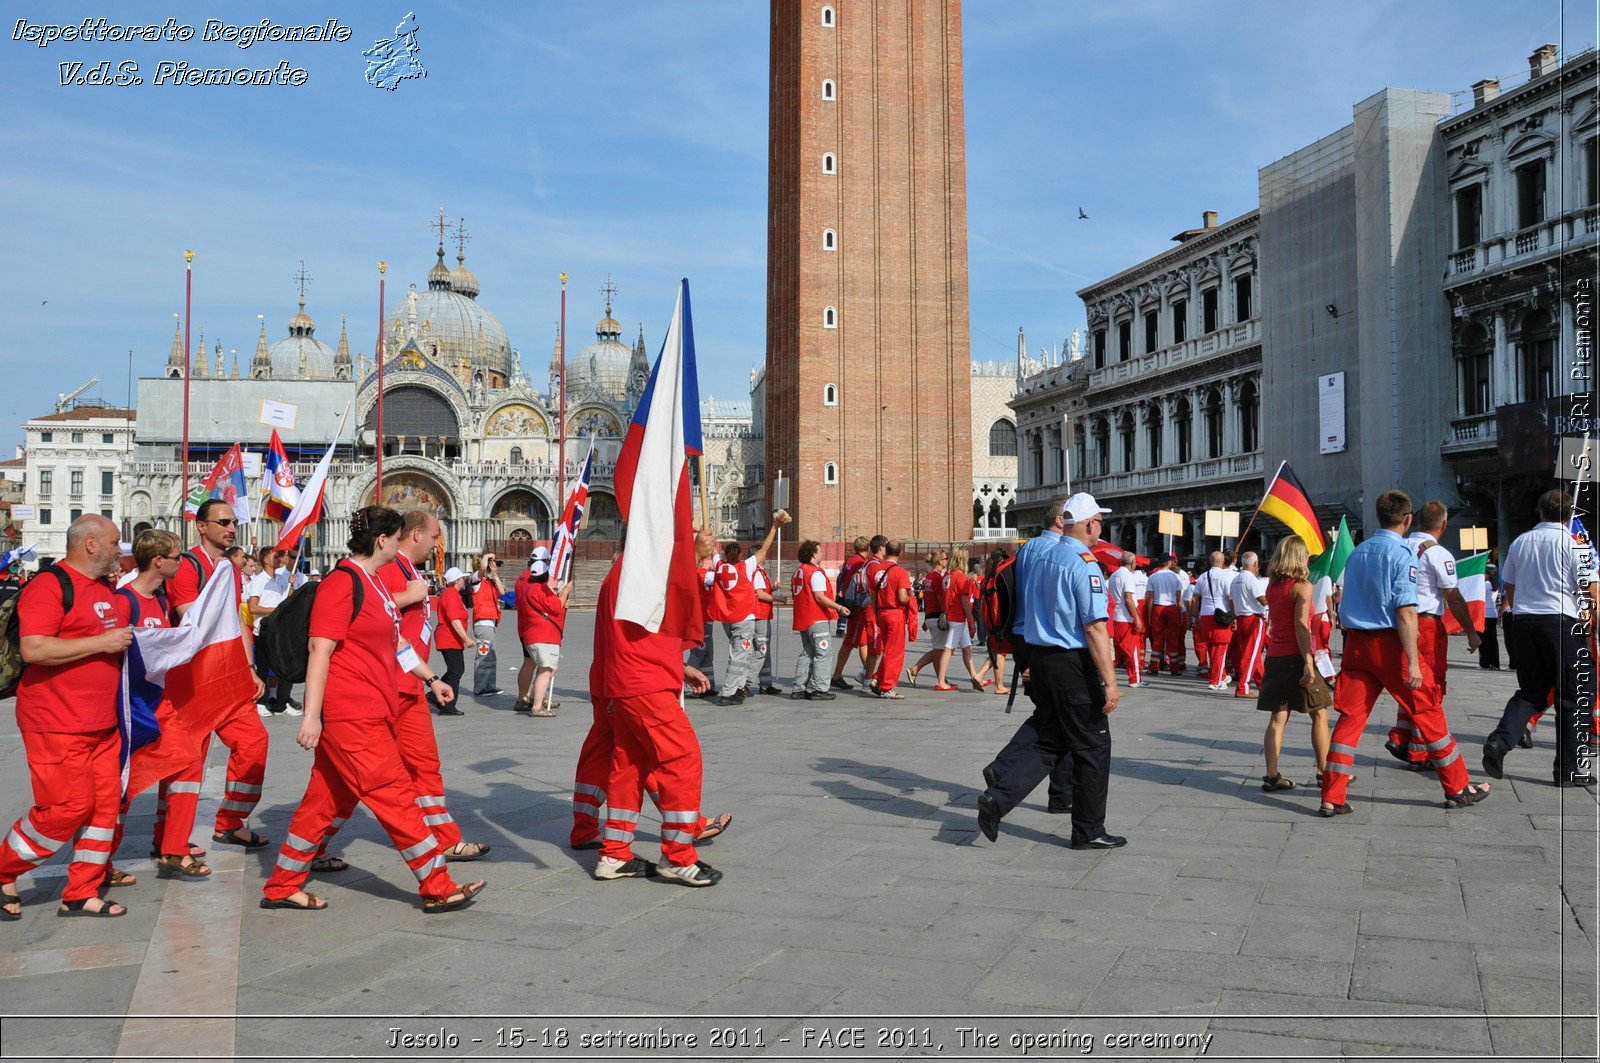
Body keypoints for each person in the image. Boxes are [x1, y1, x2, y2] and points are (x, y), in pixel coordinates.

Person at [261, 506, 484, 913]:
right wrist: (311, 716)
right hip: (351, 712)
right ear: (382, 541)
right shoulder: (341, 583)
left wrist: (431, 678)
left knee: (325, 801)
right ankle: (437, 884)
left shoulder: (375, 584)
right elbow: (320, 649)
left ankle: (281, 884)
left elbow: (395, 644)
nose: (401, 545)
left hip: (372, 707)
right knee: (395, 794)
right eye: (397, 539)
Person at [1319, 489, 1490, 816]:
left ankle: (1332, 795)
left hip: (1355, 644)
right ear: (1407, 519)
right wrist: (1413, 662)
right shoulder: (1402, 555)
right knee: (1428, 709)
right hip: (1390, 645)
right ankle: (1456, 787)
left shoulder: (1357, 553)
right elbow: (1406, 612)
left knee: (1350, 720)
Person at [0, 516, 133, 919]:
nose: (118, 548)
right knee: (66, 808)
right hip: (56, 720)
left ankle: (82, 891)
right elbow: (35, 649)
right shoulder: (48, 585)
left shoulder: (106, 588)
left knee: (104, 808)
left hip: (102, 722)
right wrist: (103, 642)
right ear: (90, 544)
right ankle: (6, 866)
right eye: (113, 542)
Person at [570, 527, 733, 855]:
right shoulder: (634, 573)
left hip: (613, 678)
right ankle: (682, 836)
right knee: (661, 755)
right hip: (631, 681)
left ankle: (591, 830)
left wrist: (680, 667)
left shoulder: (622, 572)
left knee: (612, 755)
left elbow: (641, 633)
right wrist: (695, 554)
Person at [977, 494, 1124, 849]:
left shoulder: (1038, 553)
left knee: (1053, 735)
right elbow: (1094, 628)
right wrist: (1110, 682)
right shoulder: (1082, 563)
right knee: (1093, 745)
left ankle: (999, 796)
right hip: (1071, 661)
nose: (1100, 528)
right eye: (1100, 522)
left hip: (1040, 655)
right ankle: (1089, 829)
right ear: (1089, 524)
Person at [167, 499, 270, 851]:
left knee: (254, 744)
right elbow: (191, 620)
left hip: (230, 678)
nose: (230, 528)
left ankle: (230, 821)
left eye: (233, 522)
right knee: (187, 761)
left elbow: (237, 621)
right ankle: (169, 840)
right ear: (201, 526)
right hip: (194, 679)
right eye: (223, 522)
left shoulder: (230, 568)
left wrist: (251, 668)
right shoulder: (187, 567)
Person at [108, 529, 211, 881]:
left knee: (187, 763)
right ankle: (100, 862)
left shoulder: (162, 600)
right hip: (132, 709)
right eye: (177, 557)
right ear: (158, 561)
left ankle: (174, 847)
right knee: (122, 787)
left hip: (159, 705)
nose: (181, 563)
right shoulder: (125, 600)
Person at [1483, 490, 1599, 787]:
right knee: (1574, 697)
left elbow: (1509, 586)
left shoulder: (1520, 542)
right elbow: (1592, 593)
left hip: (1524, 622)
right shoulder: (1575, 545)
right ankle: (1567, 770)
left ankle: (1500, 740)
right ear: (1569, 514)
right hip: (1561, 623)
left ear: (1540, 511)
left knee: (1531, 691)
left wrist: (1519, 611)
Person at [1385, 501, 1481, 767]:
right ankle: (1419, 749)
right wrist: (1471, 631)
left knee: (1411, 683)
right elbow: (1454, 597)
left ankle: (1401, 735)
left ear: (1415, 521)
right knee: (1430, 686)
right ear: (1444, 524)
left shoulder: (1399, 547)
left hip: (1398, 623)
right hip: (1426, 625)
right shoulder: (1437, 554)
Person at [1255, 535, 1330, 792]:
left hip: (1275, 655)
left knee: (1278, 717)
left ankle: (1272, 775)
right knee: (1319, 712)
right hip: (1297, 656)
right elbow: (1301, 624)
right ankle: (1324, 772)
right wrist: (1308, 661)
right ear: (1301, 557)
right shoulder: (1303, 586)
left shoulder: (1273, 587)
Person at [707, 512, 790, 706]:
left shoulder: (719, 567)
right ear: (740, 555)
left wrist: (708, 533)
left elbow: (712, 551)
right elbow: (764, 548)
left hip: (728, 618)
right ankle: (728, 691)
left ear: (725, 556)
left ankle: (735, 688)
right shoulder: (745, 567)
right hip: (743, 617)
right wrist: (774, 527)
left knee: (739, 653)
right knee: (739, 655)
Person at [514, 546, 569, 718]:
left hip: (526, 627)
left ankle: (526, 697)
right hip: (539, 629)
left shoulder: (522, 578)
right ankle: (534, 699)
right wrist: (562, 593)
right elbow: (551, 605)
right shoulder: (539, 585)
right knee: (543, 666)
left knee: (530, 663)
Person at [789, 539, 847, 700]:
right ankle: (820, 689)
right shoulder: (814, 572)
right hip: (816, 617)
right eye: (820, 551)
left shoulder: (799, 571)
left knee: (807, 652)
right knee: (823, 653)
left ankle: (798, 688)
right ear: (813, 554)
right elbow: (820, 597)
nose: (821, 553)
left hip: (803, 618)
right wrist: (838, 607)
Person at [870, 540, 917, 698]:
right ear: (900, 553)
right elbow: (902, 597)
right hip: (895, 613)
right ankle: (887, 686)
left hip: (881, 612)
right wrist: (911, 599)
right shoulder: (900, 572)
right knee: (895, 652)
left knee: (887, 650)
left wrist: (876, 612)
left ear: (886, 551)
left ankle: (877, 679)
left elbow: (873, 596)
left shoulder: (878, 569)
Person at [829, 537, 875, 690]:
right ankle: (837, 675)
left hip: (849, 601)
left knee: (862, 642)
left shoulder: (850, 561)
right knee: (850, 641)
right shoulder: (860, 563)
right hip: (857, 605)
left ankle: (868, 673)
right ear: (867, 548)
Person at [942, 547, 986, 691]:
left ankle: (975, 677)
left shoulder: (947, 576)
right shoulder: (961, 577)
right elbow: (964, 600)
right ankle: (940, 680)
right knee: (949, 649)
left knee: (967, 648)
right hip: (957, 617)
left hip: (950, 614)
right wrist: (971, 620)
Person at [1191, 552, 1237, 690]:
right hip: (1221, 615)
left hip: (1205, 615)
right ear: (1223, 562)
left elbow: (1194, 599)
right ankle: (1215, 680)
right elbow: (1230, 599)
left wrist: (1196, 616)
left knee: (1212, 649)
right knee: (1221, 649)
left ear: (1210, 561)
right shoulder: (1225, 576)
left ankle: (1221, 676)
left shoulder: (1203, 577)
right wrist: (1234, 616)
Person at [1227, 552, 1269, 698]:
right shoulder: (1251, 579)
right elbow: (1262, 600)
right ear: (1255, 564)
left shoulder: (1236, 579)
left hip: (1240, 617)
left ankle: (1262, 684)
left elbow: (1230, 601)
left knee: (1252, 653)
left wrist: (1234, 615)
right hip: (1254, 618)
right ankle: (1243, 687)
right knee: (1251, 654)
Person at [907, 549, 951, 689]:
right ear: (939, 561)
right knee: (940, 650)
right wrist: (946, 613)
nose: (947, 560)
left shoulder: (929, 576)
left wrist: (926, 619)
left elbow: (927, 598)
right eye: (945, 558)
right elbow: (939, 598)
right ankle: (916, 669)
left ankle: (942, 678)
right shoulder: (937, 577)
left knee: (939, 649)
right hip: (937, 616)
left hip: (930, 616)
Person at [431, 567, 471, 715]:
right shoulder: (452, 595)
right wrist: (466, 638)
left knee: (456, 670)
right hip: (449, 637)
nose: (464, 581)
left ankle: (440, 697)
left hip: (450, 637)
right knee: (456, 670)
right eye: (462, 579)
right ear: (457, 581)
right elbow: (454, 619)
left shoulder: (451, 594)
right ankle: (445, 703)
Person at [1106, 553, 1144, 688]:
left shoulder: (1114, 575)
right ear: (1132, 563)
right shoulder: (1127, 575)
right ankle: (1135, 679)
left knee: (1115, 651)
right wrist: (1137, 619)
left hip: (1115, 616)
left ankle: (1106, 679)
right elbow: (1128, 598)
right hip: (1125, 617)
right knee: (1132, 649)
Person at [470, 553, 505, 697]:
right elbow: (483, 568)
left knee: (491, 655)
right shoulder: (476, 580)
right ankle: (480, 687)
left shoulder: (489, 582)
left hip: (490, 623)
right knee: (483, 655)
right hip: (482, 623)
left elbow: (502, 592)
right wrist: (488, 556)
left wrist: (496, 575)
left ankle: (490, 685)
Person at [1147, 555, 1186, 675]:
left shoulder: (1152, 577)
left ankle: (1154, 667)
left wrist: (1149, 615)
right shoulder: (1176, 577)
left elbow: (1150, 599)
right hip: (1172, 609)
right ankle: (1174, 668)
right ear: (1169, 562)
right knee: (1173, 638)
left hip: (1158, 608)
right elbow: (1179, 599)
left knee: (1157, 639)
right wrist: (1180, 614)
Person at [750, 559, 781, 696]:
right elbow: (760, 593)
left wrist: (773, 588)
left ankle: (766, 684)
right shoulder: (757, 572)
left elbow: (763, 590)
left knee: (765, 650)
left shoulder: (761, 572)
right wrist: (777, 598)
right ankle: (745, 682)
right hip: (760, 614)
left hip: (764, 614)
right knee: (761, 650)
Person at [1478, 566, 1502, 670]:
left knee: (1483, 640)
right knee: (1493, 640)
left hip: (1485, 615)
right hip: (1493, 614)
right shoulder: (1495, 585)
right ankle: (1495, 663)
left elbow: (1479, 596)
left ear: (1488, 575)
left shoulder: (1485, 585)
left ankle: (1484, 663)